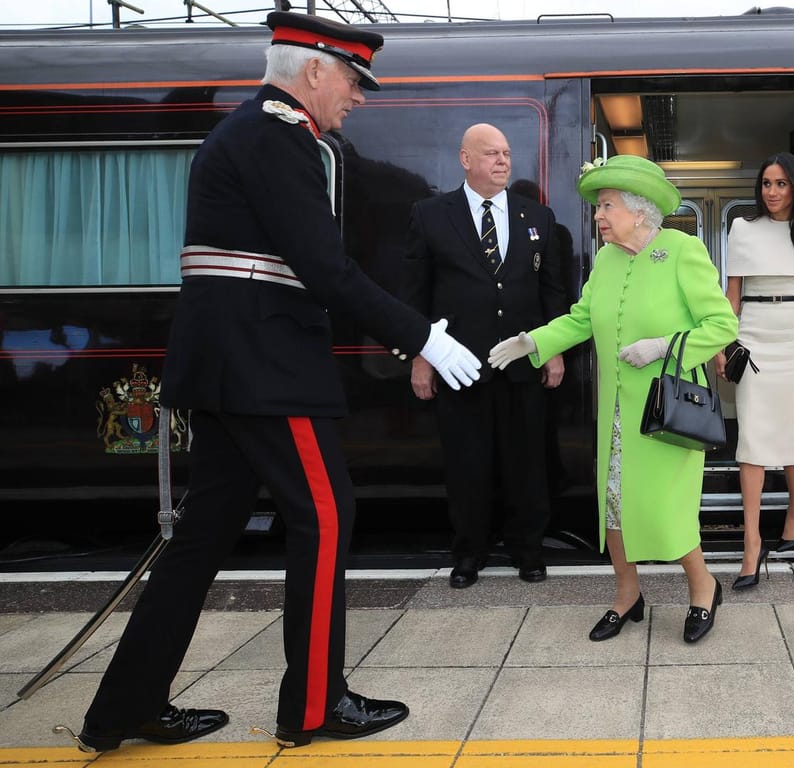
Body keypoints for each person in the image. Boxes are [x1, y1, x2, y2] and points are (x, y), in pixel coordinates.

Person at [70, 12, 484, 753]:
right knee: (325, 517)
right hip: (267, 370)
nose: (358, 96)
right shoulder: (280, 138)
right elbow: (326, 271)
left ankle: (123, 706)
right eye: (353, 81)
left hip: (230, 367)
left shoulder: (244, 133)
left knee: (200, 539)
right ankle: (316, 704)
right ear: (315, 71)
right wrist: (420, 333)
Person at [489, 155, 737, 643]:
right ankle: (627, 594)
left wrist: (662, 346)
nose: (598, 216)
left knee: (668, 508)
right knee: (615, 504)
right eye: (599, 207)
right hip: (619, 413)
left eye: (606, 206)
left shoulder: (681, 250)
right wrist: (533, 342)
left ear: (639, 211)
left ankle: (703, 586)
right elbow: (583, 317)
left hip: (668, 412)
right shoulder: (606, 259)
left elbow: (722, 325)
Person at [400, 124, 567, 588]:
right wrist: (420, 355)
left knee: (527, 463)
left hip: (523, 363)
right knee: (467, 464)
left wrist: (553, 350)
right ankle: (469, 552)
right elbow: (415, 293)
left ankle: (528, 550)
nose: (503, 161)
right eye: (491, 153)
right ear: (465, 159)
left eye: (507, 153)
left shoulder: (538, 216)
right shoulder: (431, 215)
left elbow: (552, 292)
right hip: (459, 363)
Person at [715, 153, 794, 590]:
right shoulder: (742, 228)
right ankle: (752, 543)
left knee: (792, 428)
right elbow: (731, 298)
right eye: (766, 183)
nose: (771, 192)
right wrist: (722, 343)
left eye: (781, 184)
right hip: (753, 333)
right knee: (752, 437)